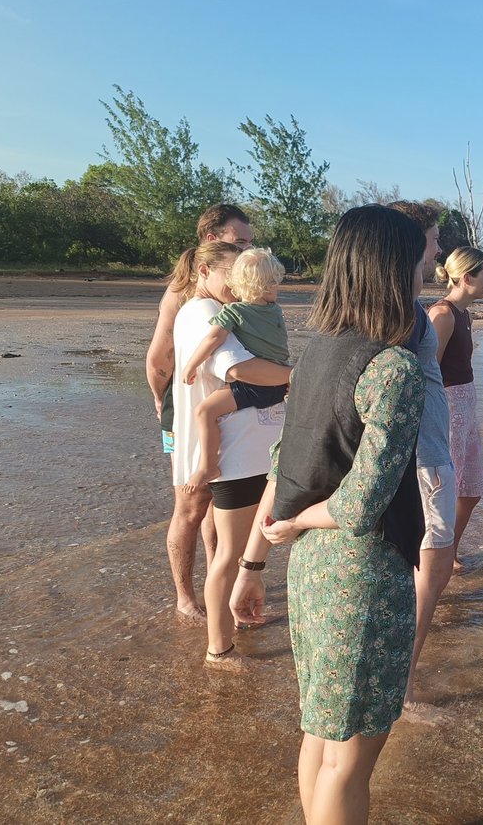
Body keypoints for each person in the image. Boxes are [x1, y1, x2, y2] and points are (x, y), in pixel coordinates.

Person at [230, 205, 427, 823]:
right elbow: (362, 501)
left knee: (320, 736)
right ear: (394, 272)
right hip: (360, 575)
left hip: (312, 575)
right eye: (418, 262)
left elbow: (284, 466)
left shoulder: (316, 354)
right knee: (351, 762)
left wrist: (253, 562)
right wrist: (297, 523)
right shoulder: (394, 366)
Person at [169, 241, 290, 670]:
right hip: (237, 453)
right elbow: (241, 370)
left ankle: (235, 617)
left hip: (256, 448)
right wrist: (302, 376)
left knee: (245, 545)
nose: (240, 287)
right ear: (205, 272)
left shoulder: (240, 310)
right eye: (232, 275)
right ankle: (218, 648)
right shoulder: (204, 312)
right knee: (227, 552)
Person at [146, 203, 254, 622]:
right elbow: (159, 357)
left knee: (219, 499)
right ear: (212, 240)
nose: (247, 248)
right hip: (186, 407)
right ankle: (184, 596)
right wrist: (163, 403)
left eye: (248, 242)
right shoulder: (183, 290)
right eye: (238, 241)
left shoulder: (238, 283)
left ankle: (217, 578)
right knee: (191, 502)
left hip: (228, 404)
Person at [387, 201, 457, 717]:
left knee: (429, 571)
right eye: (434, 239)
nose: (439, 248)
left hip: (427, 457)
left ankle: (399, 679)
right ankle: (402, 685)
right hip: (423, 461)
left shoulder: (406, 310)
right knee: (429, 573)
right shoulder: (405, 314)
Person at [180, 248, 290, 492]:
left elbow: (212, 340)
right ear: (270, 285)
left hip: (254, 386)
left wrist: (191, 364)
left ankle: (207, 466)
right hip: (277, 384)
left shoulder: (234, 312)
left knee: (205, 411)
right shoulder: (275, 312)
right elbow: (280, 347)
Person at [429, 247, 483, 570]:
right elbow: (427, 371)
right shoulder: (442, 315)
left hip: (467, 407)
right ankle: (433, 559)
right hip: (448, 408)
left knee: (471, 489)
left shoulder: (465, 314)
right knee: (445, 492)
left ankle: (448, 551)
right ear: (467, 278)